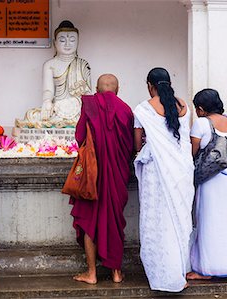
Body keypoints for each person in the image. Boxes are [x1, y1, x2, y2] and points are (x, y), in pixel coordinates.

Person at [133, 67, 194, 292]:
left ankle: (165, 275)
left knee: (157, 221)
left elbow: (137, 143)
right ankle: (180, 270)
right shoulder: (184, 106)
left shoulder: (143, 108)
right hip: (182, 171)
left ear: (150, 85)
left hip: (156, 172)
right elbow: (185, 137)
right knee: (179, 219)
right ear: (169, 83)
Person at [70, 74, 134, 284]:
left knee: (90, 222)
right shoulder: (126, 110)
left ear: (96, 89)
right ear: (118, 89)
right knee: (114, 221)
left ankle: (91, 273)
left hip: (92, 176)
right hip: (116, 176)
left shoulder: (90, 104)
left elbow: (80, 136)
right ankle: (116, 272)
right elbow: (131, 146)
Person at [188, 88, 227, 280]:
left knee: (210, 222)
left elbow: (192, 152)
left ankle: (207, 270)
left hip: (214, 177)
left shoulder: (201, 123)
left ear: (201, 108)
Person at [17, 20, 92, 128]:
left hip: (77, 107)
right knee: (31, 115)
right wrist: (47, 102)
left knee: (87, 117)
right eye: (62, 40)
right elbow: (48, 90)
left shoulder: (83, 65)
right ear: (54, 43)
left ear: (78, 42)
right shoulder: (49, 65)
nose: (67, 44)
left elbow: (88, 95)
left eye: (72, 40)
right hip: (56, 108)